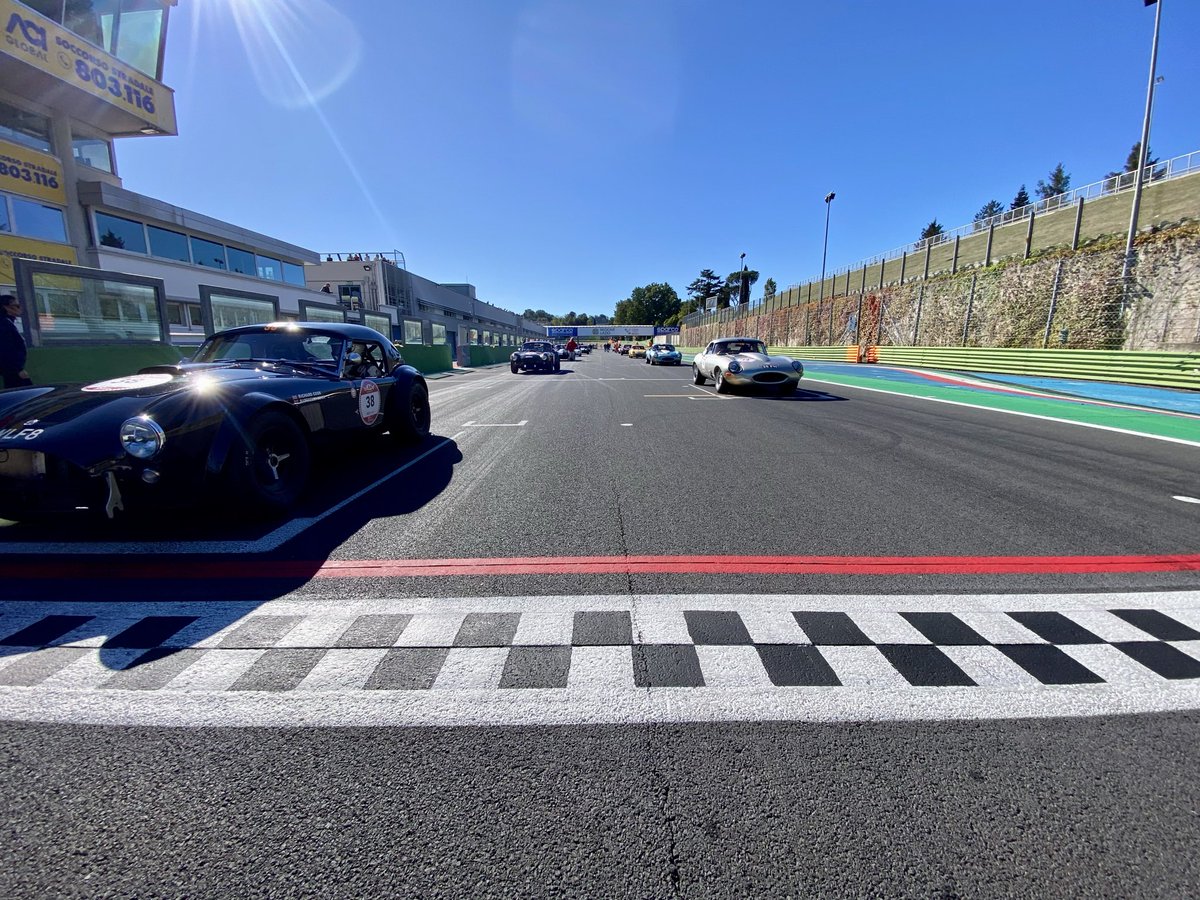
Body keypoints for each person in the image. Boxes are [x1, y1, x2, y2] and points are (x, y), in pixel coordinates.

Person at [0, 294, 32, 388]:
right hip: (13, 370)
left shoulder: (8, 323)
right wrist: (18, 369)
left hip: (13, 370)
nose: (20, 308)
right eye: (16, 306)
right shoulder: (4, 325)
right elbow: (6, 350)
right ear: (6, 307)